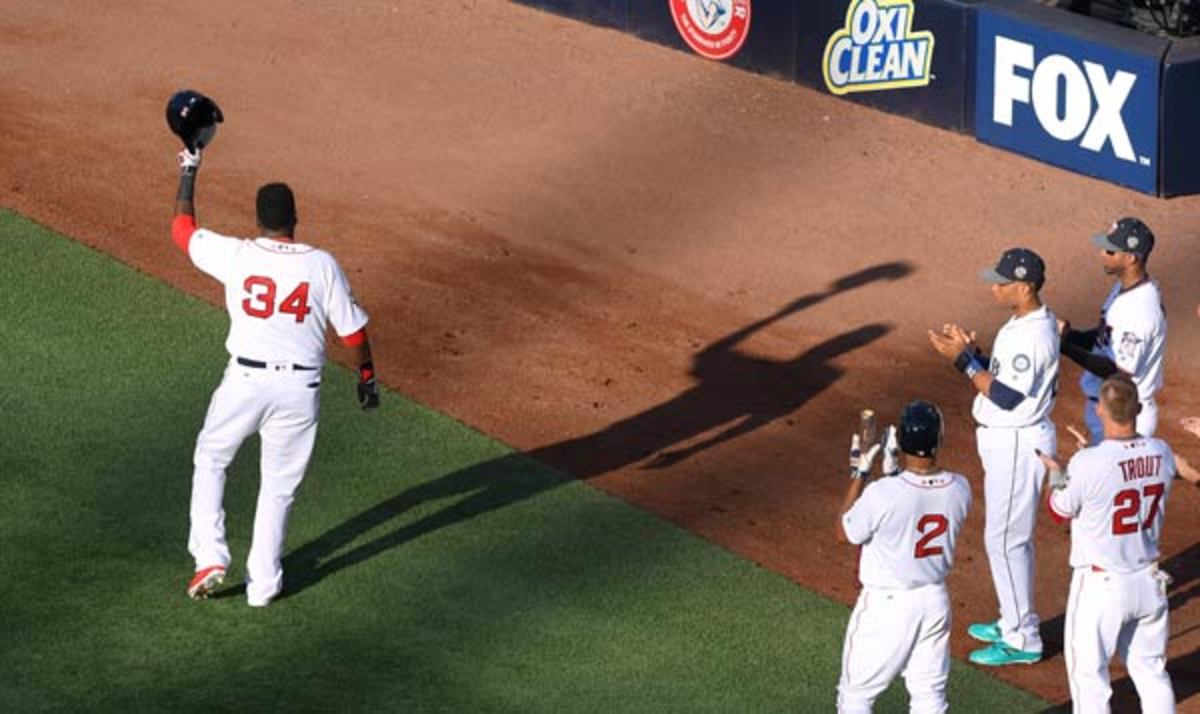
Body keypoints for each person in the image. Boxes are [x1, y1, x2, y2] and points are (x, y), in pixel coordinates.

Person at [171, 145, 380, 606]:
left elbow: (182, 229)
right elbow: (354, 332)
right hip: (299, 391)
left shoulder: (238, 255)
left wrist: (190, 167)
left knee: (211, 458)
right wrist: (366, 377)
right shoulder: (322, 264)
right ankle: (263, 585)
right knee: (279, 487)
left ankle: (210, 555)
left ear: (258, 219)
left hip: (244, 384)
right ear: (295, 219)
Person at [928, 247, 1059, 666]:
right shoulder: (1024, 321)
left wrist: (964, 362)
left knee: (1006, 540)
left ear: (1024, 287)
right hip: (1011, 440)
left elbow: (1004, 395)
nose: (995, 287)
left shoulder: (1033, 334)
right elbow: (1001, 377)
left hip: (1018, 442)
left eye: (1002, 282)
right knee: (1006, 539)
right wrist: (972, 356)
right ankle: (1012, 621)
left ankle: (1023, 638)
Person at [1038, 374, 1176, 712]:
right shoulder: (1162, 452)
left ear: (1100, 410)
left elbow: (1058, 511)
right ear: (1138, 409)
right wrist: (1090, 461)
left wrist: (1057, 472)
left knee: (1089, 681)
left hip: (1101, 588)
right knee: (1153, 673)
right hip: (1149, 581)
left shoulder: (1089, 464)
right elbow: (1125, 471)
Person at [836, 401, 972, 713]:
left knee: (855, 696)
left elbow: (845, 532)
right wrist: (893, 470)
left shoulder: (883, 493)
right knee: (929, 696)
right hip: (934, 602)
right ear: (939, 440)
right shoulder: (960, 488)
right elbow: (917, 498)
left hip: (888, 607)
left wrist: (860, 473)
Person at [1060, 217, 1167, 446]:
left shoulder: (1141, 310)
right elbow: (1106, 336)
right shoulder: (1124, 287)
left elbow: (1117, 371)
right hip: (1108, 407)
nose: (1102, 253)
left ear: (1130, 258)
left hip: (1126, 416)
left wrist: (1065, 347)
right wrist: (1071, 336)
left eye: (1110, 250)